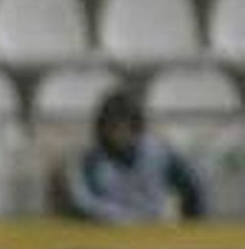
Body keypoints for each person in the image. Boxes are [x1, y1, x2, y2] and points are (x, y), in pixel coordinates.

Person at [64, 88, 208, 222]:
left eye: (127, 127)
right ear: (103, 129)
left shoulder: (159, 153)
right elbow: (83, 202)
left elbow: (193, 187)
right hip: (107, 232)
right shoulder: (92, 161)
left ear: (137, 126)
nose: (121, 134)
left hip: (152, 232)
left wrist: (192, 225)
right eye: (114, 127)